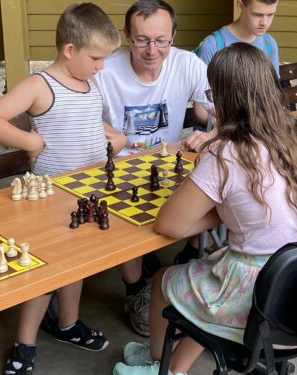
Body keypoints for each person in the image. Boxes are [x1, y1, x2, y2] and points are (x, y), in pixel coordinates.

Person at [112, 42, 297, 375]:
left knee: (166, 278)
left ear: (223, 97)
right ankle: (175, 361)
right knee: (210, 273)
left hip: (256, 291)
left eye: (211, 91)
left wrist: (223, 211)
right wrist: (233, 212)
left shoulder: (227, 153)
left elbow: (170, 225)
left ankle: (159, 365)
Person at [0, 3, 126, 374]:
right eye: (96, 57)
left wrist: (113, 139)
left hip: (88, 190)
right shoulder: (40, 85)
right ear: (69, 49)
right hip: (52, 196)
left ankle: (68, 324)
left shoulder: (91, 82)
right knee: (44, 275)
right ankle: (24, 345)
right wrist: (30, 142)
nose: (102, 66)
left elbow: (89, 123)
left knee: (77, 266)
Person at [95, 0, 214, 338]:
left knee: (217, 176)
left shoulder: (188, 64)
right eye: (142, 39)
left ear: (173, 36)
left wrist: (209, 134)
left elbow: (222, 114)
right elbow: (79, 119)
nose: (152, 50)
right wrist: (108, 135)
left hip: (170, 163)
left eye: (161, 40)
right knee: (115, 215)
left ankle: (187, 260)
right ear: (126, 37)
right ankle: (135, 291)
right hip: (115, 168)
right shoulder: (106, 70)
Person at [194, 0, 280, 71]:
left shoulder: (270, 44)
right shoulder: (212, 45)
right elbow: (203, 90)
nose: (264, 23)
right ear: (240, 6)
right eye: (257, 15)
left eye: (270, 15)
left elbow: (274, 88)